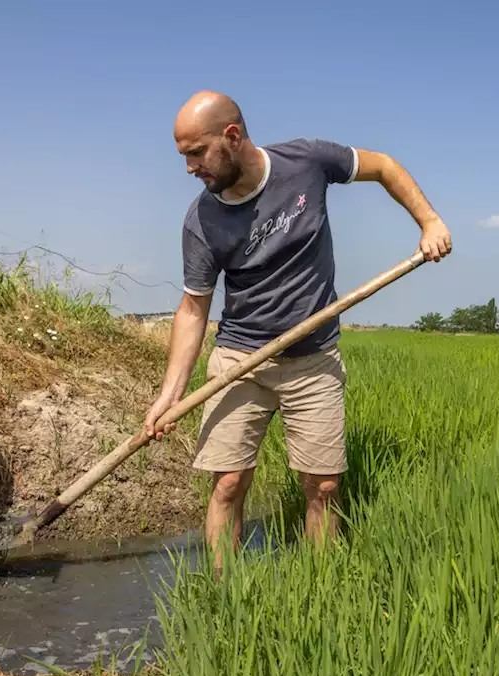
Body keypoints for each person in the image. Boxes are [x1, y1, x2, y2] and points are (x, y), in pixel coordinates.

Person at [143, 90, 450, 569]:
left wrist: (429, 221)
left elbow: (385, 166)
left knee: (323, 486)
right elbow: (193, 310)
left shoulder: (306, 161)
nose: (189, 168)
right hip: (240, 362)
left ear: (232, 136)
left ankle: (322, 589)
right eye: (183, 156)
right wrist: (170, 394)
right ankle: (225, 596)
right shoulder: (202, 220)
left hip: (313, 359)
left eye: (196, 153)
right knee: (227, 482)